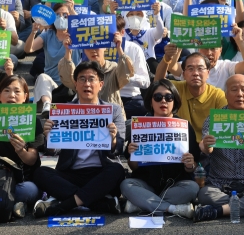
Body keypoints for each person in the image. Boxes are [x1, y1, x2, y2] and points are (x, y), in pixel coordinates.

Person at [32, 61, 126, 217]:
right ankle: (99, 202)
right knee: (41, 173)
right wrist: (49, 136)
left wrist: (113, 139)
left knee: (117, 170)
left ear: (100, 84)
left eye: (91, 79)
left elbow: (118, 149)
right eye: (82, 79)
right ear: (76, 84)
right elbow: (52, 150)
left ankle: (64, 205)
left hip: (100, 173)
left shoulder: (113, 110)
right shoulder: (64, 111)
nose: (87, 83)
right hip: (70, 173)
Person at [195, 75, 244, 222]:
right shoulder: (214, 119)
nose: (239, 94)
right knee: (204, 194)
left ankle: (219, 211)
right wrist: (206, 146)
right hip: (220, 183)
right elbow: (205, 146)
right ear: (226, 94)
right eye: (234, 90)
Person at [120, 80, 200, 218]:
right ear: (151, 102)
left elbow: (192, 168)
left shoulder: (185, 127)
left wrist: (189, 164)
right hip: (146, 184)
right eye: (158, 97)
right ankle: (171, 208)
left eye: (169, 97)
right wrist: (132, 155)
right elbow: (134, 167)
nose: (163, 101)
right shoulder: (140, 127)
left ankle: (141, 203)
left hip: (175, 185)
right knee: (126, 184)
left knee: (192, 188)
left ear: (174, 101)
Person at [154, 45, 227, 142]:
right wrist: (167, 58)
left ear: (208, 73)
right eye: (190, 69)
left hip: (207, 148)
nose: (195, 73)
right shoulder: (177, 88)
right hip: (179, 146)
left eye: (200, 68)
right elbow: (157, 84)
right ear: (183, 74)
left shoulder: (218, 95)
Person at [0, 75, 44, 218]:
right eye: (6, 90)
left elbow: (31, 159)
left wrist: (20, 151)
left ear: (25, 96)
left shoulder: (33, 121)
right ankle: (13, 205)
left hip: (21, 180)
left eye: (17, 91)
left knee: (30, 190)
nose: (11, 95)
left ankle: (10, 202)